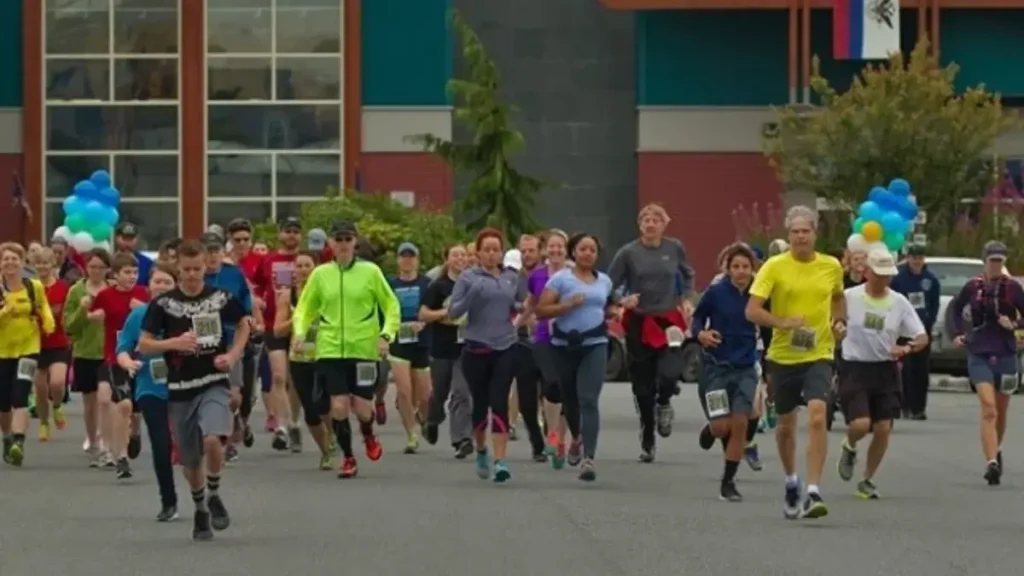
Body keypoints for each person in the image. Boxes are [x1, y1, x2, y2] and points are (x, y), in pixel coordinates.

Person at [139, 239, 250, 541]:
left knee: (214, 441)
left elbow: (243, 325)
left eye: (197, 269)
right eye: (186, 269)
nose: (191, 275)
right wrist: (173, 343)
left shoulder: (220, 297)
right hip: (180, 388)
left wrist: (233, 355)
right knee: (190, 462)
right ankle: (200, 508)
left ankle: (213, 494)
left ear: (206, 267)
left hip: (213, 381)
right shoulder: (163, 304)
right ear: (177, 269)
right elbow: (144, 344)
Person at [746, 205, 845, 519]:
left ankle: (814, 491)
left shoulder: (831, 266)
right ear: (788, 236)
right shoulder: (774, 267)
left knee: (818, 416)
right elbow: (752, 310)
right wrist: (782, 322)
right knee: (786, 425)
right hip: (783, 355)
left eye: (806, 231)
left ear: (815, 234)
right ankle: (791, 480)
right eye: (795, 232)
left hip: (820, 353)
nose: (801, 237)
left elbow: (839, 297)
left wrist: (839, 323)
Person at [292, 220, 399, 478]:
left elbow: (391, 305)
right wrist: (300, 333)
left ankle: (368, 434)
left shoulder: (371, 272)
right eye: (337, 240)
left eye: (347, 239)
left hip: (363, 349)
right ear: (330, 243)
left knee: (363, 409)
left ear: (355, 243)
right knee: (338, 407)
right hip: (329, 350)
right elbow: (305, 308)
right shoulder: (320, 275)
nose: (342, 245)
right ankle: (349, 457)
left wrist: (386, 335)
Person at [836, 250, 928, 499]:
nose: (883, 280)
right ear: (866, 272)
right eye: (878, 274)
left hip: (885, 368)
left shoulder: (899, 302)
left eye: (888, 275)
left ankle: (867, 479)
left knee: (884, 428)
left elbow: (921, 337)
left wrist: (906, 347)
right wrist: (836, 329)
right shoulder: (849, 296)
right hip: (855, 367)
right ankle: (850, 445)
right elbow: (832, 320)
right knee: (860, 424)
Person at [608, 203, 695, 462]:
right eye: (645, 219)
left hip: (668, 319)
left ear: (664, 224)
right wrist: (623, 300)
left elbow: (688, 274)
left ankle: (665, 401)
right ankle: (648, 436)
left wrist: (688, 298)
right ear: (640, 224)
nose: (650, 223)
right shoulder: (628, 252)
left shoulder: (674, 248)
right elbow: (610, 285)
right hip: (639, 321)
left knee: (669, 373)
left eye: (656, 219)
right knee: (642, 387)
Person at [535, 233, 614, 481]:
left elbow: (606, 307)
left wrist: (617, 311)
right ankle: (576, 438)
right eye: (583, 249)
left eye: (592, 249)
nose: (588, 253)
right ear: (574, 252)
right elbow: (541, 311)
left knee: (589, 399)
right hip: (563, 345)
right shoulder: (561, 280)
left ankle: (588, 458)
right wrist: (566, 306)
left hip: (595, 344)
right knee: (571, 400)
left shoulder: (605, 281)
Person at [448, 228, 522, 482]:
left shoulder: (511, 278)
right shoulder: (468, 277)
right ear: (478, 253)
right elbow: (454, 312)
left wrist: (525, 311)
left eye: (496, 249)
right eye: (487, 249)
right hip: (476, 347)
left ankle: (500, 461)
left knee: (499, 400)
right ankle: (481, 451)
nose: (492, 254)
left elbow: (519, 305)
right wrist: (472, 294)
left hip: (505, 346)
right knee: (480, 404)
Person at [949, 240, 1024, 486]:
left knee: (1001, 411)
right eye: (992, 261)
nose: (996, 265)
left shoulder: (1013, 288)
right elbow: (955, 309)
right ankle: (991, 461)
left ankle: (996, 447)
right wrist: (957, 333)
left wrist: (1013, 325)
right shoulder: (973, 287)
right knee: (988, 407)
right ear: (985, 261)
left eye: (1000, 261)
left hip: (1006, 353)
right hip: (979, 352)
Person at [693, 243, 762, 501]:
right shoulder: (716, 292)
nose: (741, 271)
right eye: (736, 267)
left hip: (745, 367)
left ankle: (728, 481)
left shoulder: (759, 294)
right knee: (722, 427)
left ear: (752, 269)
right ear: (728, 269)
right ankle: (711, 430)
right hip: (716, 367)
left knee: (740, 421)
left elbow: (767, 325)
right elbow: (697, 319)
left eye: (745, 266)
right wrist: (702, 334)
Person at [117, 263, 180, 522]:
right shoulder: (138, 315)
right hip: (150, 387)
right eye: (158, 282)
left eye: (167, 282)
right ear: (149, 286)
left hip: (184, 386)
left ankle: (205, 492)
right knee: (160, 444)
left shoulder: (185, 313)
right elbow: (122, 348)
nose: (162, 287)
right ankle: (168, 500)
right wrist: (127, 362)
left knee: (191, 447)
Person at [90, 253, 150, 479]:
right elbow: (94, 314)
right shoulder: (106, 295)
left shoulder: (144, 294)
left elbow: (158, 318)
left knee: (137, 408)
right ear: (115, 275)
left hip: (143, 358)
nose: (131, 277)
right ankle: (121, 458)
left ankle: (135, 432)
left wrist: (143, 307)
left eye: (134, 272)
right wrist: (94, 315)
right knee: (123, 404)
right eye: (126, 272)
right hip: (116, 358)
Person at [274, 250, 334, 470]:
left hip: (325, 354)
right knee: (310, 410)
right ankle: (325, 451)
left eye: (307, 265)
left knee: (325, 403)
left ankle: (334, 437)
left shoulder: (327, 293)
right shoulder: (286, 296)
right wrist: (296, 317)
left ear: (316, 268)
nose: (302, 270)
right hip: (299, 357)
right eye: (298, 266)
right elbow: (277, 330)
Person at [0, 242, 56, 466]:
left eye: (15, 259)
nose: (10, 263)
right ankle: (7, 437)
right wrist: (5, 312)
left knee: (20, 395)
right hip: (2, 351)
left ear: (22, 263)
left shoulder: (33, 286)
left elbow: (43, 308)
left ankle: (19, 442)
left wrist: (49, 322)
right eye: (6, 259)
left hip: (29, 348)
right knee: (3, 403)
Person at [201, 232, 254, 462]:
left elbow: (245, 302)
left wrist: (251, 319)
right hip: (202, 338)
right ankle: (222, 437)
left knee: (233, 395)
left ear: (223, 252)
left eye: (216, 250)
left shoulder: (233, 274)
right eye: (208, 251)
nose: (212, 256)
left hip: (231, 338)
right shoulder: (193, 275)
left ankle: (234, 424)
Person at [253, 217, 302, 451]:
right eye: (287, 231)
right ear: (280, 234)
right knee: (279, 377)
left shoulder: (306, 261)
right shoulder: (269, 260)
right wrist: (259, 309)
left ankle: (294, 423)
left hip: (301, 327)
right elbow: (257, 288)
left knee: (296, 380)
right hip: (275, 324)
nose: (291, 235)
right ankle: (281, 426)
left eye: (295, 231)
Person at [420, 244, 474, 458]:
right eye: (455, 255)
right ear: (447, 259)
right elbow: (423, 314)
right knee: (440, 392)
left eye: (463, 255)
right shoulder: (438, 286)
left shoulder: (473, 283)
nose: (460, 258)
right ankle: (431, 420)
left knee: (463, 393)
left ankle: (462, 439)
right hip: (441, 347)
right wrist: (447, 313)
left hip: (466, 346)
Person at [526, 230, 574, 467]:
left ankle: (561, 438)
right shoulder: (537, 275)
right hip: (544, 338)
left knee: (566, 389)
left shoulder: (575, 274)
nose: (555, 251)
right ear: (545, 249)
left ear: (566, 250)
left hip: (569, 338)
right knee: (551, 383)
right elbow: (531, 303)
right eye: (552, 247)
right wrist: (518, 324)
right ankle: (552, 433)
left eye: (560, 247)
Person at [386, 242, 433, 454]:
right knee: (404, 391)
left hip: (421, 342)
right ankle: (411, 436)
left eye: (411, 256)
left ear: (417, 260)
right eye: (403, 256)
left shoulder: (427, 284)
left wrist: (424, 322)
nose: (407, 260)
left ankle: (422, 418)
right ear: (397, 260)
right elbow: (383, 309)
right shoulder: (389, 284)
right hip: (398, 342)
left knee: (425, 396)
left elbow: (434, 309)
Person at [64, 248, 110, 463]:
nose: (96, 271)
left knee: (106, 400)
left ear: (108, 269)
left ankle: (105, 441)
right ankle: (92, 439)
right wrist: (83, 311)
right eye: (92, 267)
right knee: (90, 402)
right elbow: (69, 326)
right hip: (85, 352)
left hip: (109, 353)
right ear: (85, 268)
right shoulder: (76, 291)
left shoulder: (111, 290)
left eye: (101, 267)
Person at [890, 244, 940, 420]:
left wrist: (928, 323)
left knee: (921, 370)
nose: (917, 261)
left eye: (920, 258)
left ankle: (919, 407)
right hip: (903, 331)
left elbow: (934, 304)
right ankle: (904, 404)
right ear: (908, 258)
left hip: (922, 330)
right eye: (914, 257)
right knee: (904, 370)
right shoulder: (898, 278)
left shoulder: (931, 280)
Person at [33, 247, 70, 441]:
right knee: (39, 387)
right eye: (38, 263)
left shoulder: (62, 287)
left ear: (52, 264)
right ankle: (43, 423)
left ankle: (57, 406)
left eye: (46, 263)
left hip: (58, 342)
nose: (42, 267)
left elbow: (66, 312)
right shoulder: (30, 286)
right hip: (35, 343)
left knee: (56, 382)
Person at [114, 222, 154, 286]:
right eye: (125, 239)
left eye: (131, 239)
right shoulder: (110, 261)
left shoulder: (147, 263)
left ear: (136, 239)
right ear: (117, 238)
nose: (128, 243)